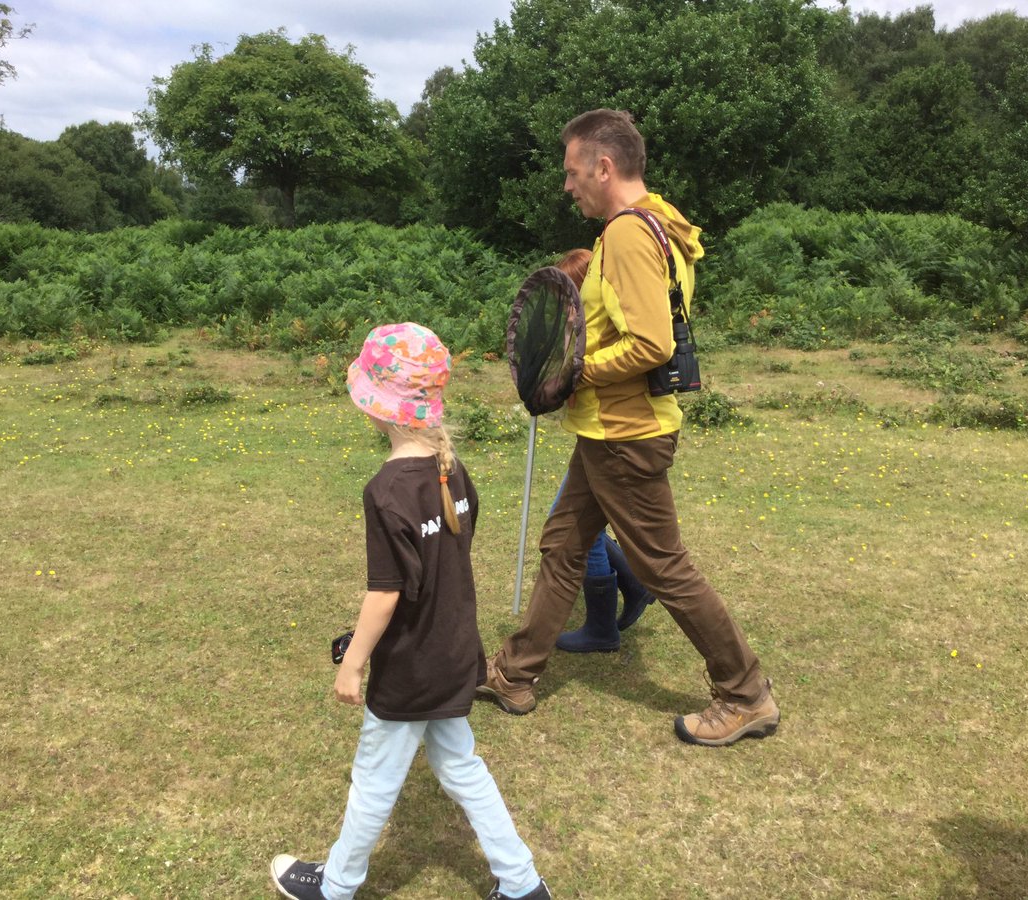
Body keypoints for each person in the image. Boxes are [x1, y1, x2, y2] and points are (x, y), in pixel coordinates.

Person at [477, 109, 780, 747]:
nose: (567, 186)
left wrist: (574, 372)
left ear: (604, 167)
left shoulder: (628, 235)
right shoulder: (659, 223)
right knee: (564, 546)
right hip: (608, 431)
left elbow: (650, 343)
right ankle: (514, 673)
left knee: (665, 567)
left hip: (625, 433)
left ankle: (745, 693)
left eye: (571, 172)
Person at [271, 323, 551, 900]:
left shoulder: (387, 489)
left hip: (412, 667)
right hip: (453, 654)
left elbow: (387, 592)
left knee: (374, 779)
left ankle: (336, 887)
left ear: (379, 406)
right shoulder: (453, 470)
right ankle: (523, 884)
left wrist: (354, 663)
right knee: (461, 766)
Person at [549, 249, 654, 653]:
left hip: (614, 437)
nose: (565, 308)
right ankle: (634, 585)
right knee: (580, 523)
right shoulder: (584, 332)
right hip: (597, 436)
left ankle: (602, 625)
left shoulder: (602, 335)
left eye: (568, 297)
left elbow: (574, 385)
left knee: (580, 529)